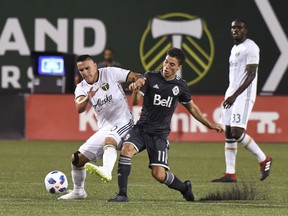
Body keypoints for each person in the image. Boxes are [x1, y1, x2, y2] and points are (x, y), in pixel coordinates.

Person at [88, 47, 223, 202]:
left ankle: (185, 187)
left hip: (160, 134)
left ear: (179, 67)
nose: (167, 66)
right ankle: (122, 194)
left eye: (172, 64)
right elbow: (136, 101)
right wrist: (136, 90)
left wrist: (209, 124)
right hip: (142, 128)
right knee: (126, 149)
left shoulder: (181, 86)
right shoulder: (150, 77)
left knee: (158, 174)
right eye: (166, 62)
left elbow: (192, 107)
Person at [58, 55, 142, 200]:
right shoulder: (81, 87)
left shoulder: (110, 73)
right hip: (105, 127)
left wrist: (138, 81)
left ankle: (106, 170)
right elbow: (79, 108)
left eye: (87, 68)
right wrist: (87, 98)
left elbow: (135, 75)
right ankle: (79, 192)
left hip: (124, 121)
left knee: (109, 140)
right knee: (77, 159)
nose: (85, 72)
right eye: (81, 70)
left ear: (95, 66)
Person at [212, 19, 272, 183]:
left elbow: (251, 75)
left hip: (243, 96)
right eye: (233, 28)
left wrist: (234, 96)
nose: (235, 30)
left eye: (239, 27)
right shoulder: (235, 48)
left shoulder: (251, 47)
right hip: (232, 94)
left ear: (246, 30)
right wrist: (230, 95)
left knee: (237, 132)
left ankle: (263, 159)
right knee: (229, 133)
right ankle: (230, 173)